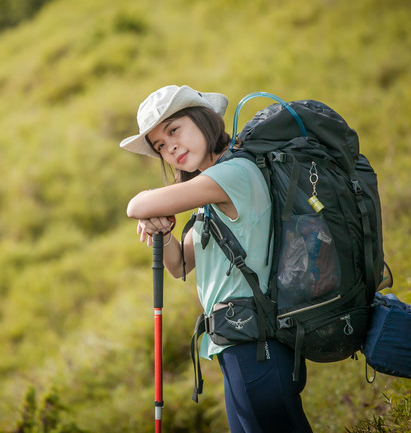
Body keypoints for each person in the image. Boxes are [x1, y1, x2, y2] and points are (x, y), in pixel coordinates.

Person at [121, 85, 313, 433]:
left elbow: (135, 206)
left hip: (255, 345)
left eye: (174, 130)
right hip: (236, 345)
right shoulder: (212, 195)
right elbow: (179, 264)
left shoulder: (231, 175)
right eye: (160, 145)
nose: (170, 147)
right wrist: (160, 228)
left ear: (203, 119)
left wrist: (150, 208)